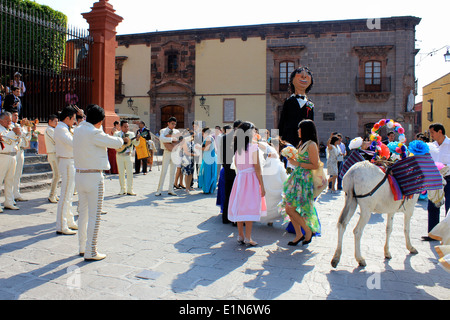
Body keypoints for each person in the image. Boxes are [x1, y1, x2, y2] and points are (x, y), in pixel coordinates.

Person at [74, 104, 123, 261]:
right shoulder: (94, 132)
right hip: (94, 177)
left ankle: (82, 247)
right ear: (100, 121)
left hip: (80, 174)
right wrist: (121, 137)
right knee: (94, 215)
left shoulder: (79, 129)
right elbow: (117, 143)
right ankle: (91, 250)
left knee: (83, 214)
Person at [279, 119, 321, 246]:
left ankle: (307, 231)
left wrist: (297, 163)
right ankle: (299, 234)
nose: (298, 131)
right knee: (288, 208)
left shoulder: (311, 144)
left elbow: (315, 165)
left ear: (305, 130)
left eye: (300, 128)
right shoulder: (303, 143)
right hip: (297, 177)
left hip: (303, 179)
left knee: (291, 208)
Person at [228, 121, 266, 246]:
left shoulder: (238, 148)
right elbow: (257, 168)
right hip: (250, 180)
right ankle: (248, 237)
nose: (255, 132)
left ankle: (240, 235)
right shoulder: (253, 148)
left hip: (240, 179)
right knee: (250, 207)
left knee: (240, 207)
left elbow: (237, 165)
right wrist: (262, 184)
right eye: (254, 130)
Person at [54, 106, 80, 235]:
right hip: (67, 161)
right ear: (67, 118)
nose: (74, 122)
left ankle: (69, 220)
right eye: (73, 119)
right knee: (65, 195)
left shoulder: (66, 128)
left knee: (69, 194)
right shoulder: (60, 129)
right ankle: (61, 224)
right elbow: (73, 142)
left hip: (71, 161)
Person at [423, 123, 450, 241]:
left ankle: (448, 235)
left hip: (448, 178)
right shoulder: (431, 146)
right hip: (434, 179)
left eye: (432, 133)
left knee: (449, 207)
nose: (431, 135)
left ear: (440, 132)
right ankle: (433, 233)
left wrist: (445, 166)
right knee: (433, 205)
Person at [278, 66, 315, 147]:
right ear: (292, 80)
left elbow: (312, 122)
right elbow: (281, 121)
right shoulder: (289, 101)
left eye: (307, 74)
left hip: (305, 140)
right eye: (300, 74)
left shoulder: (310, 104)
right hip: (288, 139)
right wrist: (276, 140)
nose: (304, 76)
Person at [258, 138, 288, 225]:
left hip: (271, 174)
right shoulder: (268, 148)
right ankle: (269, 219)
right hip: (269, 174)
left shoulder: (268, 149)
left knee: (271, 196)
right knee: (269, 196)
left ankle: (270, 219)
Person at [0, 112, 21, 211]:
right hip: (3, 156)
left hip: (12, 155)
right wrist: (13, 132)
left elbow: (16, 140)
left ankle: (9, 201)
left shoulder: (10, 129)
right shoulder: (1, 129)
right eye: (7, 120)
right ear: (1, 120)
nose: (9, 122)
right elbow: (5, 139)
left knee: (10, 180)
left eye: (10, 120)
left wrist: (18, 134)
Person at [222, 120, 242, 224]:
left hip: (227, 169)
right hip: (237, 170)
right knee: (237, 195)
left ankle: (225, 217)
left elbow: (221, 155)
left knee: (228, 194)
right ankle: (235, 220)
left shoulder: (224, 137)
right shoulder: (239, 138)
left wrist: (224, 167)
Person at [114, 120, 140, 195]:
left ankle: (130, 189)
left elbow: (136, 144)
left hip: (128, 155)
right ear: (121, 127)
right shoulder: (116, 134)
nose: (127, 128)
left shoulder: (131, 134)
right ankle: (122, 189)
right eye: (125, 127)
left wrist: (137, 139)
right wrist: (122, 140)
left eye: (127, 126)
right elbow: (115, 143)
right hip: (119, 155)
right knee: (121, 173)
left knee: (130, 173)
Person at [155, 117, 180, 196]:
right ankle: (159, 190)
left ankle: (171, 189)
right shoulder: (163, 130)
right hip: (166, 151)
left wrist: (170, 139)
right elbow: (161, 139)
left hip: (175, 152)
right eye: (172, 123)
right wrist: (172, 139)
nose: (173, 125)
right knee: (164, 171)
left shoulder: (177, 131)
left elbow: (178, 140)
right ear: (168, 123)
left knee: (173, 171)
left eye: (175, 124)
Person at [11, 112, 30, 202]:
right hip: (14, 151)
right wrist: (21, 127)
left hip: (21, 150)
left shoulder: (19, 125)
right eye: (15, 115)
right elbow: (16, 136)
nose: (17, 117)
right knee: (12, 174)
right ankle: (10, 195)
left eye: (17, 115)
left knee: (18, 173)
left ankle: (16, 193)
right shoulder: (10, 126)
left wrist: (28, 128)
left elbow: (27, 137)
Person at [197, 127, 217, 194]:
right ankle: (210, 188)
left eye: (202, 133)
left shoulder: (208, 138)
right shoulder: (211, 137)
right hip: (211, 157)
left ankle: (207, 189)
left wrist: (198, 147)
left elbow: (206, 148)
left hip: (208, 158)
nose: (202, 135)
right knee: (210, 173)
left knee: (207, 173)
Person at [44, 114, 60, 203]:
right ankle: (51, 195)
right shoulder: (49, 130)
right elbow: (56, 140)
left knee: (57, 175)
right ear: (50, 121)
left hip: (56, 154)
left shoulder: (53, 130)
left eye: (57, 121)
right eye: (55, 121)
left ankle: (55, 193)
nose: (57, 123)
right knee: (56, 175)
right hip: (52, 154)